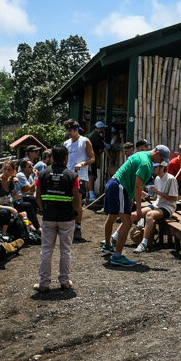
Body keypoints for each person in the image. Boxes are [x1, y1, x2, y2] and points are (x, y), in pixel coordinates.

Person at [102, 145, 171, 267]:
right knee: (127, 222)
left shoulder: (140, 154)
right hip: (119, 187)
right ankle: (117, 256)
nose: (161, 162)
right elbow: (138, 186)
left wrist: (132, 198)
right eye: (162, 159)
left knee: (112, 216)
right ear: (158, 154)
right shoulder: (146, 164)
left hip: (113, 183)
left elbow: (133, 180)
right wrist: (138, 208)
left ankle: (107, 245)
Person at [33, 145, 81, 292]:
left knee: (46, 250)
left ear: (52, 157)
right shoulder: (73, 176)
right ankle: (65, 281)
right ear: (66, 158)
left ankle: (44, 283)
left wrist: (43, 209)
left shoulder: (42, 175)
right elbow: (77, 200)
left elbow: (37, 195)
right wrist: (75, 212)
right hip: (66, 218)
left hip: (48, 217)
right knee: (65, 250)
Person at [133, 163, 178, 253]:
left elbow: (174, 198)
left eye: (156, 167)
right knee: (134, 214)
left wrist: (157, 192)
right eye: (153, 166)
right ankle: (115, 237)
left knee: (149, 215)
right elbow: (156, 196)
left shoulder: (171, 179)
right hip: (157, 204)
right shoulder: (157, 178)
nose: (153, 168)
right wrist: (146, 195)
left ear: (162, 168)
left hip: (168, 207)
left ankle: (144, 243)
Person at [64, 119, 95, 240]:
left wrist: (82, 163)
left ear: (77, 130)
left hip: (79, 176)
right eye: (68, 130)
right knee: (67, 202)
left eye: (71, 130)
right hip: (67, 175)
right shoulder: (66, 143)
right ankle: (68, 227)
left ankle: (78, 228)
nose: (69, 132)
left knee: (77, 203)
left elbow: (92, 158)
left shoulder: (85, 141)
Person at [87, 121, 107, 202]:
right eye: (103, 128)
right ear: (100, 128)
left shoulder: (93, 135)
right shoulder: (96, 135)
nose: (103, 130)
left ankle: (88, 194)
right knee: (91, 176)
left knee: (91, 176)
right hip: (91, 158)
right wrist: (110, 158)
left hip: (91, 157)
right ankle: (91, 196)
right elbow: (104, 148)